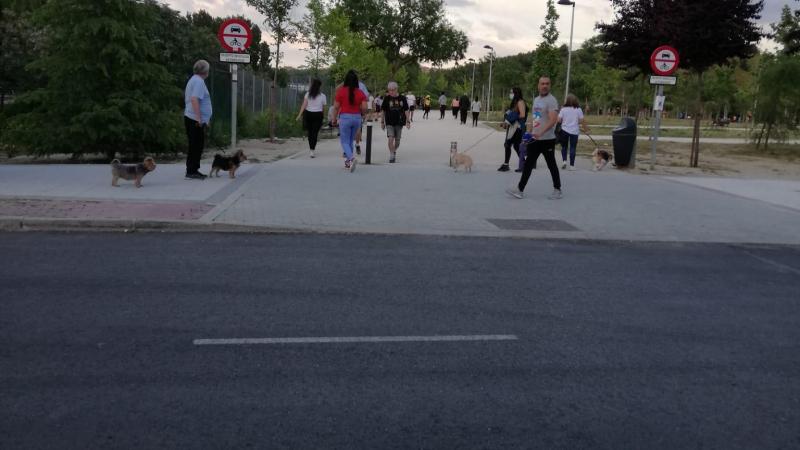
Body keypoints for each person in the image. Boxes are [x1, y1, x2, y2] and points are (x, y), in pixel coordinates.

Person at [506, 76, 562, 199]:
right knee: (528, 164)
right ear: (538, 85)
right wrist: (530, 132)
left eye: (547, 83)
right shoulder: (536, 100)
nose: (545, 86)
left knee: (551, 165)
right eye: (542, 83)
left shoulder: (551, 100)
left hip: (547, 140)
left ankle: (557, 190)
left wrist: (540, 133)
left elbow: (553, 120)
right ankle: (520, 190)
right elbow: (535, 117)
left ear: (550, 85)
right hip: (535, 139)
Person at [332, 70, 368, 172]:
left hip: (345, 118)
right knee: (350, 141)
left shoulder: (341, 91)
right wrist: (363, 113)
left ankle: (352, 158)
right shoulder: (360, 92)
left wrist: (334, 119)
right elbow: (365, 107)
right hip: (357, 118)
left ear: (346, 81)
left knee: (344, 141)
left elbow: (335, 107)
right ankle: (348, 162)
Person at [184, 59, 212, 180]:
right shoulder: (199, 82)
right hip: (195, 119)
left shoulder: (193, 79)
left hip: (191, 117)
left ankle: (193, 170)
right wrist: (199, 118)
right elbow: (195, 99)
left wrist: (205, 119)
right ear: (205, 71)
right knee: (196, 145)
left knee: (195, 145)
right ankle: (192, 171)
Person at [380, 81, 411, 164]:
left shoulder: (402, 98)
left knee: (397, 142)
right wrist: (382, 122)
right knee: (390, 138)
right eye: (389, 90)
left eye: (393, 90)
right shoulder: (387, 98)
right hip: (389, 122)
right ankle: (392, 155)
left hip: (399, 123)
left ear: (397, 89)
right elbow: (383, 111)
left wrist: (408, 121)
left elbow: (406, 110)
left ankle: (393, 150)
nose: (391, 92)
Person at [498, 87, 527, 173]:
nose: (510, 94)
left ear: (516, 93)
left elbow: (522, 115)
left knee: (513, 145)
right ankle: (520, 164)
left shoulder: (520, 102)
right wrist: (506, 122)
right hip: (512, 127)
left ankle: (522, 165)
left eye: (512, 92)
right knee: (510, 145)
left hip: (517, 127)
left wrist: (511, 118)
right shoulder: (514, 103)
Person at [295, 78, 327, 159]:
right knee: (315, 133)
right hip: (318, 115)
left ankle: (311, 150)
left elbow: (304, 105)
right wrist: (323, 117)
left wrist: (299, 115)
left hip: (308, 115)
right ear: (320, 86)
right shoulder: (323, 96)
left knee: (310, 133)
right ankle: (312, 150)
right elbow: (323, 108)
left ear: (312, 85)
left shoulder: (308, 94)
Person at [558, 94, 588, 170]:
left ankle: (564, 161)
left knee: (564, 147)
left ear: (567, 101)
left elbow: (559, 120)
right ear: (575, 101)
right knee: (573, 148)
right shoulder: (578, 109)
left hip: (564, 131)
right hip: (574, 131)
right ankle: (572, 166)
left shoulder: (563, 109)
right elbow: (582, 121)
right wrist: (585, 130)